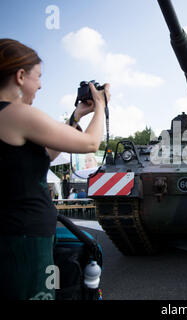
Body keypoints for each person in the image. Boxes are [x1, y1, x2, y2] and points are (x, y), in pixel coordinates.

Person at [0, 38, 110, 300]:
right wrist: (102, 106)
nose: (40, 84)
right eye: (37, 76)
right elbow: (91, 142)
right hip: (25, 236)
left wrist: (76, 116)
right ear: (20, 76)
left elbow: (45, 154)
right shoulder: (17, 114)